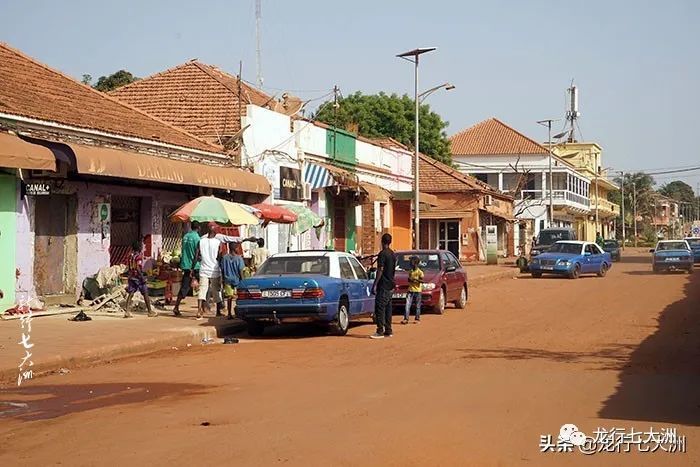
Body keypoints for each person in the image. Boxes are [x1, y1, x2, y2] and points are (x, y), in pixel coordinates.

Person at [197, 222, 257, 319]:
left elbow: (198, 255)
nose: (217, 230)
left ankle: (200, 310)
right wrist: (248, 239)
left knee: (203, 290)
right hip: (214, 270)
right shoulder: (218, 240)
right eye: (216, 228)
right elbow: (223, 251)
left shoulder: (202, 240)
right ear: (212, 229)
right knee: (216, 291)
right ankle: (218, 310)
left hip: (204, 269)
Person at [370, 233, 396, 339]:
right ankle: (388, 330)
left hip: (384, 285)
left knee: (380, 307)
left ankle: (380, 330)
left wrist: (375, 284)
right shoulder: (392, 254)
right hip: (391, 284)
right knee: (388, 308)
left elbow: (380, 270)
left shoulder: (382, 254)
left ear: (382, 241)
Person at [173, 221, 201, 316]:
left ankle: (176, 306)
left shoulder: (185, 236)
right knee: (204, 286)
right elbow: (197, 254)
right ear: (198, 228)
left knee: (184, 286)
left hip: (185, 265)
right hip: (194, 266)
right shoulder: (197, 238)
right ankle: (203, 308)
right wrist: (193, 267)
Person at [124, 240, 157, 318]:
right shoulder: (138, 257)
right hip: (138, 278)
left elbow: (128, 267)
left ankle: (127, 311)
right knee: (145, 293)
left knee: (131, 293)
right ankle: (150, 311)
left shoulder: (130, 256)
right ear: (139, 248)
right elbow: (138, 267)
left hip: (131, 277)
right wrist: (142, 277)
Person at [220, 241, 245, 320]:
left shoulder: (225, 258)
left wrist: (222, 280)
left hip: (227, 280)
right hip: (236, 280)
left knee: (229, 298)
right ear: (235, 248)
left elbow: (222, 269)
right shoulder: (239, 258)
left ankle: (229, 313)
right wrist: (243, 281)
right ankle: (239, 312)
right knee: (239, 297)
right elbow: (241, 270)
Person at [402, 256, 424, 325]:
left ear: (415, 263)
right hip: (410, 290)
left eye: (411, 262)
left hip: (418, 291)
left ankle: (417, 318)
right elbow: (408, 279)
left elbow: (422, 280)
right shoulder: (411, 271)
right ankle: (406, 318)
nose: (410, 263)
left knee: (417, 305)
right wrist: (410, 280)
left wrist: (415, 280)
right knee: (407, 305)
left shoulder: (420, 272)